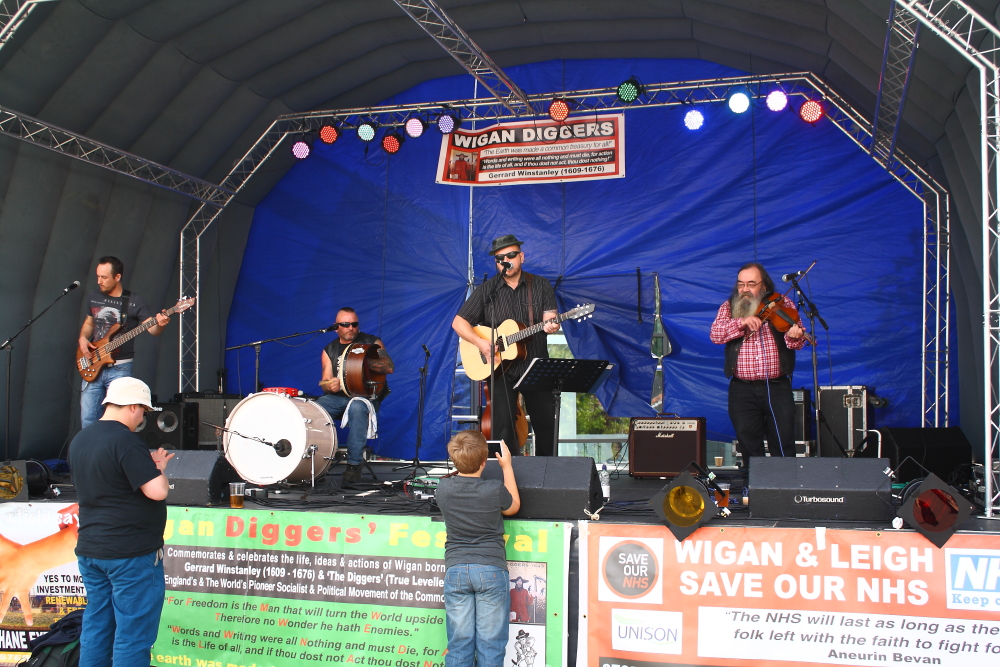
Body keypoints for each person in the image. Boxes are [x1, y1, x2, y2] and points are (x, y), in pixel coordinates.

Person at [67, 377, 174, 667]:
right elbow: (157, 491)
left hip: (91, 549)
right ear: (133, 407)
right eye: (144, 411)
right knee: (133, 636)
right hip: (130, 553)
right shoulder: (126, 440)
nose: (142, 418)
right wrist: (160, 470)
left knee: (96, 628)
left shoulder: (81, 439)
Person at [452, 234, 560, 455]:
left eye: (511, 255)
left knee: (546, 424)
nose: (505, 261)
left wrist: (551, 325)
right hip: (499, 368)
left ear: (521, 257)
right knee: (502, 427)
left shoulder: (540, 285)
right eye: (500, 258)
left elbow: (550, 318)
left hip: (535, 364)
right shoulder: (487, 290)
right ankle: (508, 470)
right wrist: (481, 343)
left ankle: (546, 470)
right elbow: (458, 322)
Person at [435, 431, 520, 667]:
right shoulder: (493, 489)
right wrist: (507, 467)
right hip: (491, 568)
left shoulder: (443, 489)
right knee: (490, 645)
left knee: (459, 644)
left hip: (456, 569)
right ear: (485, 461)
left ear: (454, 459)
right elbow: (513, 506)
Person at [710, 262, 806, 464]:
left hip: (777, 386)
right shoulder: (729, 307)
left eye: (751, 284)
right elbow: (716, 335)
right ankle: (753, 481)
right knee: (748, 442)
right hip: (742, 388)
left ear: (764, 286)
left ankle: (785, 480)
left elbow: (795, 343)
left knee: (783, 442)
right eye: (741, 284)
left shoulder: (783, 303)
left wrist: (795, 336)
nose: (745, 289)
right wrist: (741, 322)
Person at [78, 256, 171, 429]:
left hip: (120, 368)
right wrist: (82, 338)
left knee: (119, 420)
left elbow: (153, 330)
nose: (99, 281)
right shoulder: (94, 296)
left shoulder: (135, 302)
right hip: (93, 363)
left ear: (117, 277)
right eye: (98, 276)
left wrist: (161, 324)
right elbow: (89, 323)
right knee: (88, 419)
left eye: (104, 277)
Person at [316, 307, 394, 484]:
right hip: (339, 397)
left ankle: (354, 465)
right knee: (315, 409)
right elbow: (325, 381)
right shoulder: (329, 350)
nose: (351, 328)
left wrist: (367, 364)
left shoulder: (372, 342)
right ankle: (315, 464)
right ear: (336, 327)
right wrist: (330, 385)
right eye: (345, 324)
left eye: (354, 324)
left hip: (367, 396)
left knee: (358, 407)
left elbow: (389, 367)